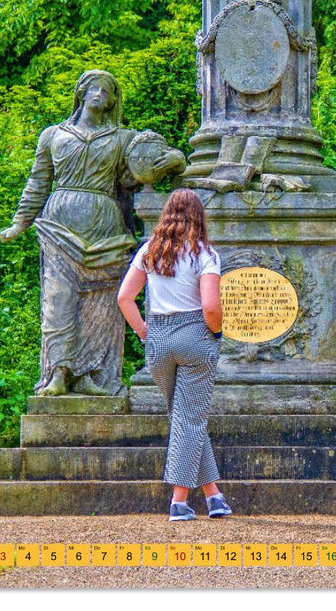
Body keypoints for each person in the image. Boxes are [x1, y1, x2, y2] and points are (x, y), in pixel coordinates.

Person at [0, 70, 185, 397]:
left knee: (101, 304)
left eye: (107, 90)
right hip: (60, 223)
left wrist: (174, 160)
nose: (100, 94)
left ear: (113, 99)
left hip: (105, 225)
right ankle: (59, 372)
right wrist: (20, 221)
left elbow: (140, 172)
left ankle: (91, 375)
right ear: (81, 93)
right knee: (58, 299)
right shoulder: (53, 135)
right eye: (94, 88)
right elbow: (38, 182)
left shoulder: (121, 138)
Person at [116, 189, 232, 521]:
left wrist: (144, 332)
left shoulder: (149, 252)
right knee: (190, 418)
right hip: (194, 336)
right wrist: (216, 332)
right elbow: (211, 306)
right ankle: (179, 502)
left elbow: (125, 297)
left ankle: (214, 496)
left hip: (159, 341)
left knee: (184, 417)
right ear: (199, 216)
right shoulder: (204, 254)